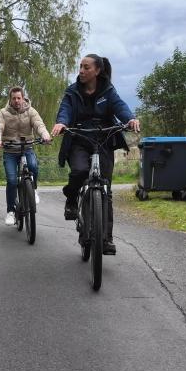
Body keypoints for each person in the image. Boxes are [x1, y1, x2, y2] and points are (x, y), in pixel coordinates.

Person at [50, 54, 141, 255]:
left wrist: (131, 119)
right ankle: (72, 198)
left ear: (97, 71)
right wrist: (61, 122)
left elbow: (120, 107)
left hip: (104, 140)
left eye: (86, 67)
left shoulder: (108, 91)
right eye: (80, 67)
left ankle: (106, 239)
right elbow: (65, 109)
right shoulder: (72, 91)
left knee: (105, 189)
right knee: (80, 171)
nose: (81, 71)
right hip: (79, 139)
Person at [0, 86, 51, 226]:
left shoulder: (31, 111)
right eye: (14, 98)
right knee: (12, 181)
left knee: (33, 166)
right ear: (10, 99)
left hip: (27, 148)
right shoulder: (3, 112)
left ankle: (34, 190)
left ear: (23, 98)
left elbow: (38, 124)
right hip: (10, 150)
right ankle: (10, 212)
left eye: (19, 98)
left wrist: (44, 135)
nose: (17, 101)